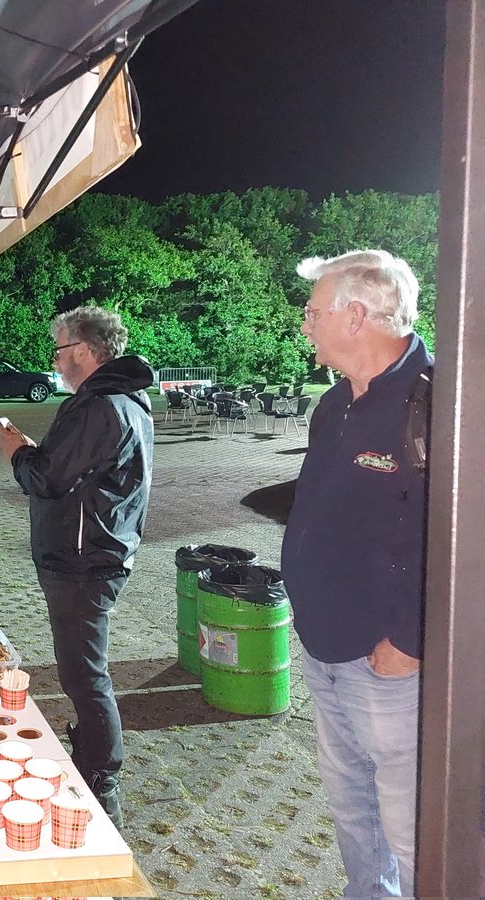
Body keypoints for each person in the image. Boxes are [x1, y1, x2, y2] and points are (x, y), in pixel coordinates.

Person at [281, 249, 429, 898]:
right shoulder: (333, 405)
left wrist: (409, 642)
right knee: (352, 813)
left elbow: (456, 540)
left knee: (415, 827)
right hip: (322, 646)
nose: (305, 326)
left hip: (388, 662)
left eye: (314, 313)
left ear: (356, 315)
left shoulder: (438, 406)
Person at [0, 305, 153, 829]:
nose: (56, 362)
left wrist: (18, 452)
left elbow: (46, 479)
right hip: (93, 554)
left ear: (83, 352)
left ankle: (101, 783)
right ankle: (91, 756)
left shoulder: (101, 405)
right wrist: (36, 453)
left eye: (60, 350)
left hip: (85, 562)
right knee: (81, 671)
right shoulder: (117, 401)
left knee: (85, 676)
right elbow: (75, 471)